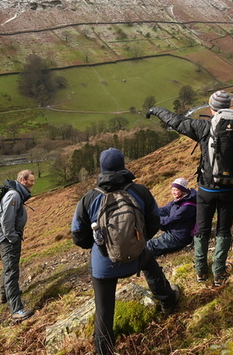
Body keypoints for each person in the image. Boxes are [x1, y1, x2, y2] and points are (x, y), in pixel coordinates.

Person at [71, 148, 181, 355]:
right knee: (151, 265)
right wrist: (138, 242)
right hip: (136, 257)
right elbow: (154, 222)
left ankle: (105, 350)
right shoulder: (139, 191)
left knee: (104, 310)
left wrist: (97, 246)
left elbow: (77, 234)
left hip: (104, 266)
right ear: (123, 166)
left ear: (102, 169)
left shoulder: (89, 198)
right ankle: (168, 300)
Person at [146, 90, 233, 287]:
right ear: (228, 106)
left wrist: (156, 110)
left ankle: (201, 272)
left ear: (212, 107)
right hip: (228, 191)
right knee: (223, 230)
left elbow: (177, 122)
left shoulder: (203, 126)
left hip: (206, 191)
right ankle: (219, 273)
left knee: (202, 229)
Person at [0, 169, 35, 321]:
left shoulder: (16, 194)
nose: (33, 183)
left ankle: (4, 294)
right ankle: (17, 311)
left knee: (8, 267)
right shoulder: (14, 195)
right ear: (23, 180)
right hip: (9, 239)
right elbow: (6, 220)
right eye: (31, 180)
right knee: (12, 272)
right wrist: (12, 238)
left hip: (6, 238)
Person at [146, 177, 197, 256]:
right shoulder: (180, 199)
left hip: (180, 236)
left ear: (183, 190)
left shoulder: (187, 206)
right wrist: (149, 212)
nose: (173, 192)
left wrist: (154, 219)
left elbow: (171, 219)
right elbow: (165, 209)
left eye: (176, 190)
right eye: (172, 189)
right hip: (175, 230)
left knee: (150, 245)